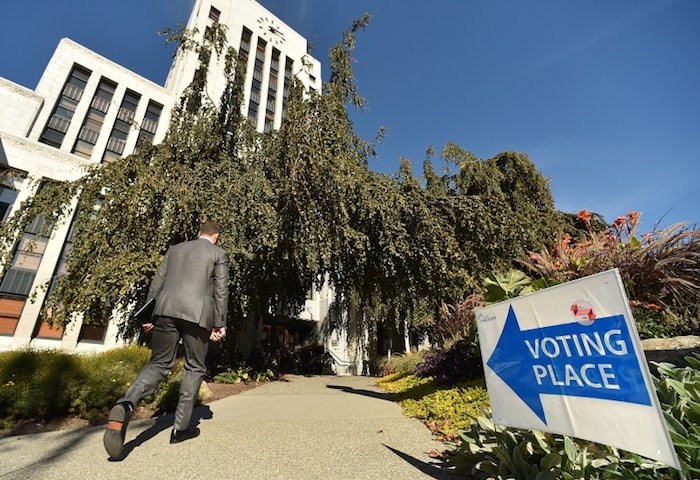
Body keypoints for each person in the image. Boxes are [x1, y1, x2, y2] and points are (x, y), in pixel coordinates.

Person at [103, 219, 229, 459]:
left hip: (165, 311)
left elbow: (157, 283)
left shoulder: (175, 250)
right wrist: (219, 322)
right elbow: (221, 290)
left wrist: (149, 314)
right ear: (216, 236)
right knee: (194, 367)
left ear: (198, 232)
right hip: (198, 316)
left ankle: (127, 404)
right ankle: (180, 429)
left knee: (158, 363)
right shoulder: (218, 253)